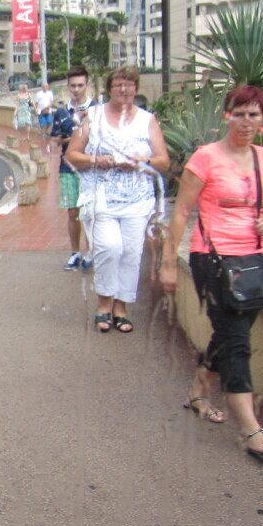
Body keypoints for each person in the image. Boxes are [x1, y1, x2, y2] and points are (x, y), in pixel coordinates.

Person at [159, 85, 263, 457]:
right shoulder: (206, 158)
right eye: (239, 113)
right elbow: (180, 212)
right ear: (226, 116)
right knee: (238, 341)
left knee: (233, 332)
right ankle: (250, 430)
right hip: (213, 260)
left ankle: (199, 388)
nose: (246, 122)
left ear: (262, 119)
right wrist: (168, 263)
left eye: (254, 114)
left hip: (254, 257)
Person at [65, 66, 169, 333]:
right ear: (109, 89)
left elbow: (164, 161)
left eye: (130, 85)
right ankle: (103, 305)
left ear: (136, 88)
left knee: (131, 253)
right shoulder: (94, 116)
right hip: (102, 198)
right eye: (119, 85)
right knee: (109, 248)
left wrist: (142, 162)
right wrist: (95, 160)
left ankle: (121, 309)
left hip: (138, 199)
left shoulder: (147, 120)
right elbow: (72, 154)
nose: (124, 90)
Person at [50, 66, 94, 270]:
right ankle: (75, 252)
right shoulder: (61, 112)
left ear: (87, 85)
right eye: (73, 86)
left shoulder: (96, 110)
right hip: (67, 168)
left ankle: (92, 252)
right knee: (72, 212)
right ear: (67, 87)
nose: (76, 89)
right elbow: (55, 140)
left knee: (91, 212)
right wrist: (67, 138)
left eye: (80, 85)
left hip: (91, 169)